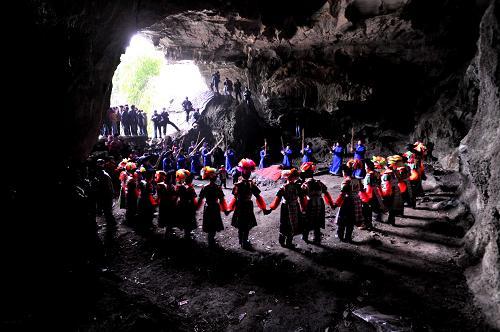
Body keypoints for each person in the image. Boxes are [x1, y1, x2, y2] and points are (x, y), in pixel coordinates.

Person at [226, 159, 267, 249]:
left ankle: (241, 240)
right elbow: (258, 196)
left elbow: (234, 197)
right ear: (249, 174)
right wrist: (264, 208)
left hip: (239, 204)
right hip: (248, 205)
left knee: (240, 222)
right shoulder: (251, 184)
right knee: (247, 223)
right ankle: (245, 240)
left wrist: (230, 208)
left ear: (241, 173)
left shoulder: (237, 184)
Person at [267, 168, 304, 248]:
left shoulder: (283, 188)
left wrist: (271, 209)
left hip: (285, 207)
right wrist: (303, 208)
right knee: (292, 223)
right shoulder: (298, 187)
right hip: (295, 206)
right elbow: (301, 198)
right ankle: (289, 242)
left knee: (284, 223)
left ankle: (281, 240)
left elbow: (277, 200)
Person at [300, 162, 335, 243]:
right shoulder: (319, 183)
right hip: (320, 203)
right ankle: (317, 237)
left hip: (310, 203)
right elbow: (326, 193)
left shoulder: (305, 185)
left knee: (307, 220)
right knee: (317, 220)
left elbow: (302, 197)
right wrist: (331, 204)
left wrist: (303, 208)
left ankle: (305, 236)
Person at [197, 166, 228, 247]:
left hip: (207, 207)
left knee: (209, 223)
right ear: (215, 178)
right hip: (215, 207)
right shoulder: (218, 188)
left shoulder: (205, 187)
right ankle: (211, 241)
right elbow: (222, 200)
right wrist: (225, 210)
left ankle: (210, 240)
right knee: (214, 224)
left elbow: (200, 199)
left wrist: (196, 208)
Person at [358, 160, 385, 229]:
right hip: (377, 192)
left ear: (368, 167)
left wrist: (366, 197)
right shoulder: (377, 173)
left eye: (365, 167)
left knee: (366, 209)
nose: (365, 168)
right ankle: (378, 218)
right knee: (376, 206)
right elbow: (379, 183)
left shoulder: (369, 176)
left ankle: (367, 223)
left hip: (370, 193)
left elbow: (368, 187)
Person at [381, 155, 405, 226]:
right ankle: (392, 220)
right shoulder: (395, 172)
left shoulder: (387, 174)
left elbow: (386, 184)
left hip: (390, 192)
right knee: (393, 206)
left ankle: (390, 220)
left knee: (389, 206)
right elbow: (400, 180)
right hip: (396, 190)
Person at [175, 169, 198, 239]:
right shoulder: (190, 188)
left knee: (184, 218)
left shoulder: (180, 186)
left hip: (181, 204)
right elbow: (194, 196)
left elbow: (177, 195)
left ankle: (186, 232)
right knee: (189, 219)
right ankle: (187, 234)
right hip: (189, 205)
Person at [155, 171, 178, 238]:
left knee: (164, 218)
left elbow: (158, 196)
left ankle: (167, 232)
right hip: (170, 205)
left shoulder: (159, 185)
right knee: (169, 218)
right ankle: (167, 234)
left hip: (163, 204)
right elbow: (173, 197)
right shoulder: (171, 187)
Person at [95, 159, 115, 225]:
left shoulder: (104, 175)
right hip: (106, 195)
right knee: (107, 210)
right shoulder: (103, 174)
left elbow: (108, 188)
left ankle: (112, 223)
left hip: (107, 195)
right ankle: (110, 223)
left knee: (107, 210)